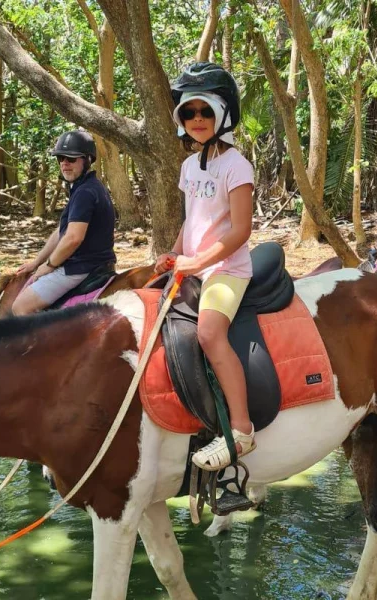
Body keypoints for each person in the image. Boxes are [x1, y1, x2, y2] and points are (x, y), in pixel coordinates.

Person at [155, 61, 255, 471]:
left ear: (223, 114)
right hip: (193, 266)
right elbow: (192, 219)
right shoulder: (188, 166)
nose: (197, 119)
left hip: (227, 271)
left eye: (205, 111)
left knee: (210, 334)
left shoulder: (237, 166)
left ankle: (242, 430)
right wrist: (174, 252)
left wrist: (197, 260)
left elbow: (241, 230)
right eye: (189, 112)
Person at [12, 130, 116, 316]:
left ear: (87, 160)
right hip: (95, 263)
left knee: (21, 306)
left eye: (71, 158)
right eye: (60, 158)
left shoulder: (85, 193)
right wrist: (36, 262)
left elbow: (73, 238)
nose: (64, 163)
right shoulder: (87, 187)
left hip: (80, 267)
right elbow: (62, 231)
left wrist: (49, 266)